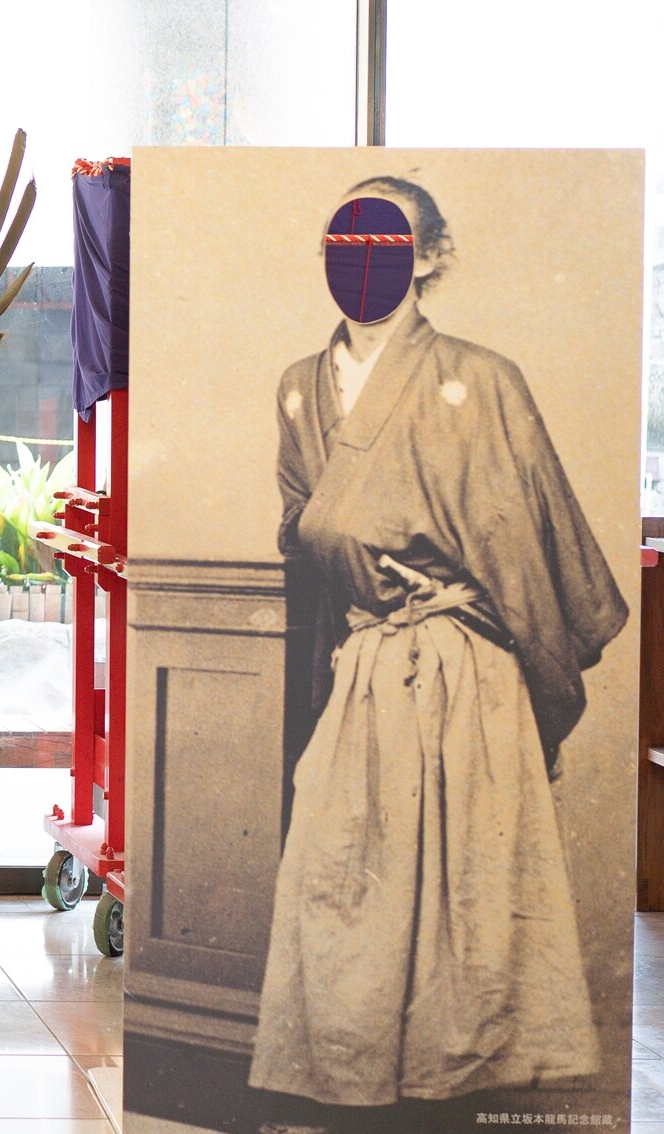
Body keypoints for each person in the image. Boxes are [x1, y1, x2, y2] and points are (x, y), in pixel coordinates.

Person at [250, 176, 626, 1118]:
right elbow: (303, 530)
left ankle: (452, 1093)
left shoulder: (484, 378)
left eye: (387, 239)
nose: (364, 257)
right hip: (368, 658)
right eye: (346, 237)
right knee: (345, 880)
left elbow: (535, 549)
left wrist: (464, 605)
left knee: (471, 892)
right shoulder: (302, 387)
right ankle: (350, 1078)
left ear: (429, 257)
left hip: (468, 666)